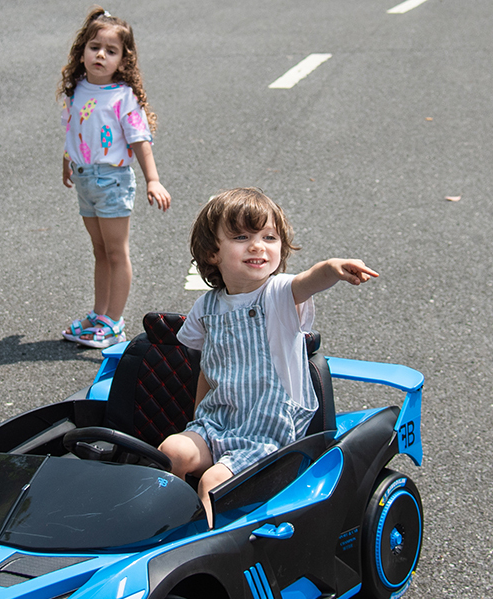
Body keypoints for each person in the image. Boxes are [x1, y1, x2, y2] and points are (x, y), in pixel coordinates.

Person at [159, 188, 378, 527]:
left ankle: (199, 547)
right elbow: (207, 368)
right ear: (211, 252)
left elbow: (309, 280)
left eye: (269, 237)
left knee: (212, 482)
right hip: (219, 421)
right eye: (241, 236)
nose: (257, 245)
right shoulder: (207, 306)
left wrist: (333, 269)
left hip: (271, 432)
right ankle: (161, 526)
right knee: (171, 451)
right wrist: (197, 421)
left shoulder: (278, 295)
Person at [59, 7, 171, 348]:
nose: (100, 55)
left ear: (123, 61)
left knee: (116, 252)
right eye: (94, 47)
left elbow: (140, 142)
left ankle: (114, 322)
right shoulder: (76, 90)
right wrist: (67, 160)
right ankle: (99, 313)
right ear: (82, 51)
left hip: (112, 180)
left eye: (111, 51)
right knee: (99, 250)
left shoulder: (123, 97)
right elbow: (74, 131)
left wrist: (153, 179)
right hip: (84, 179)